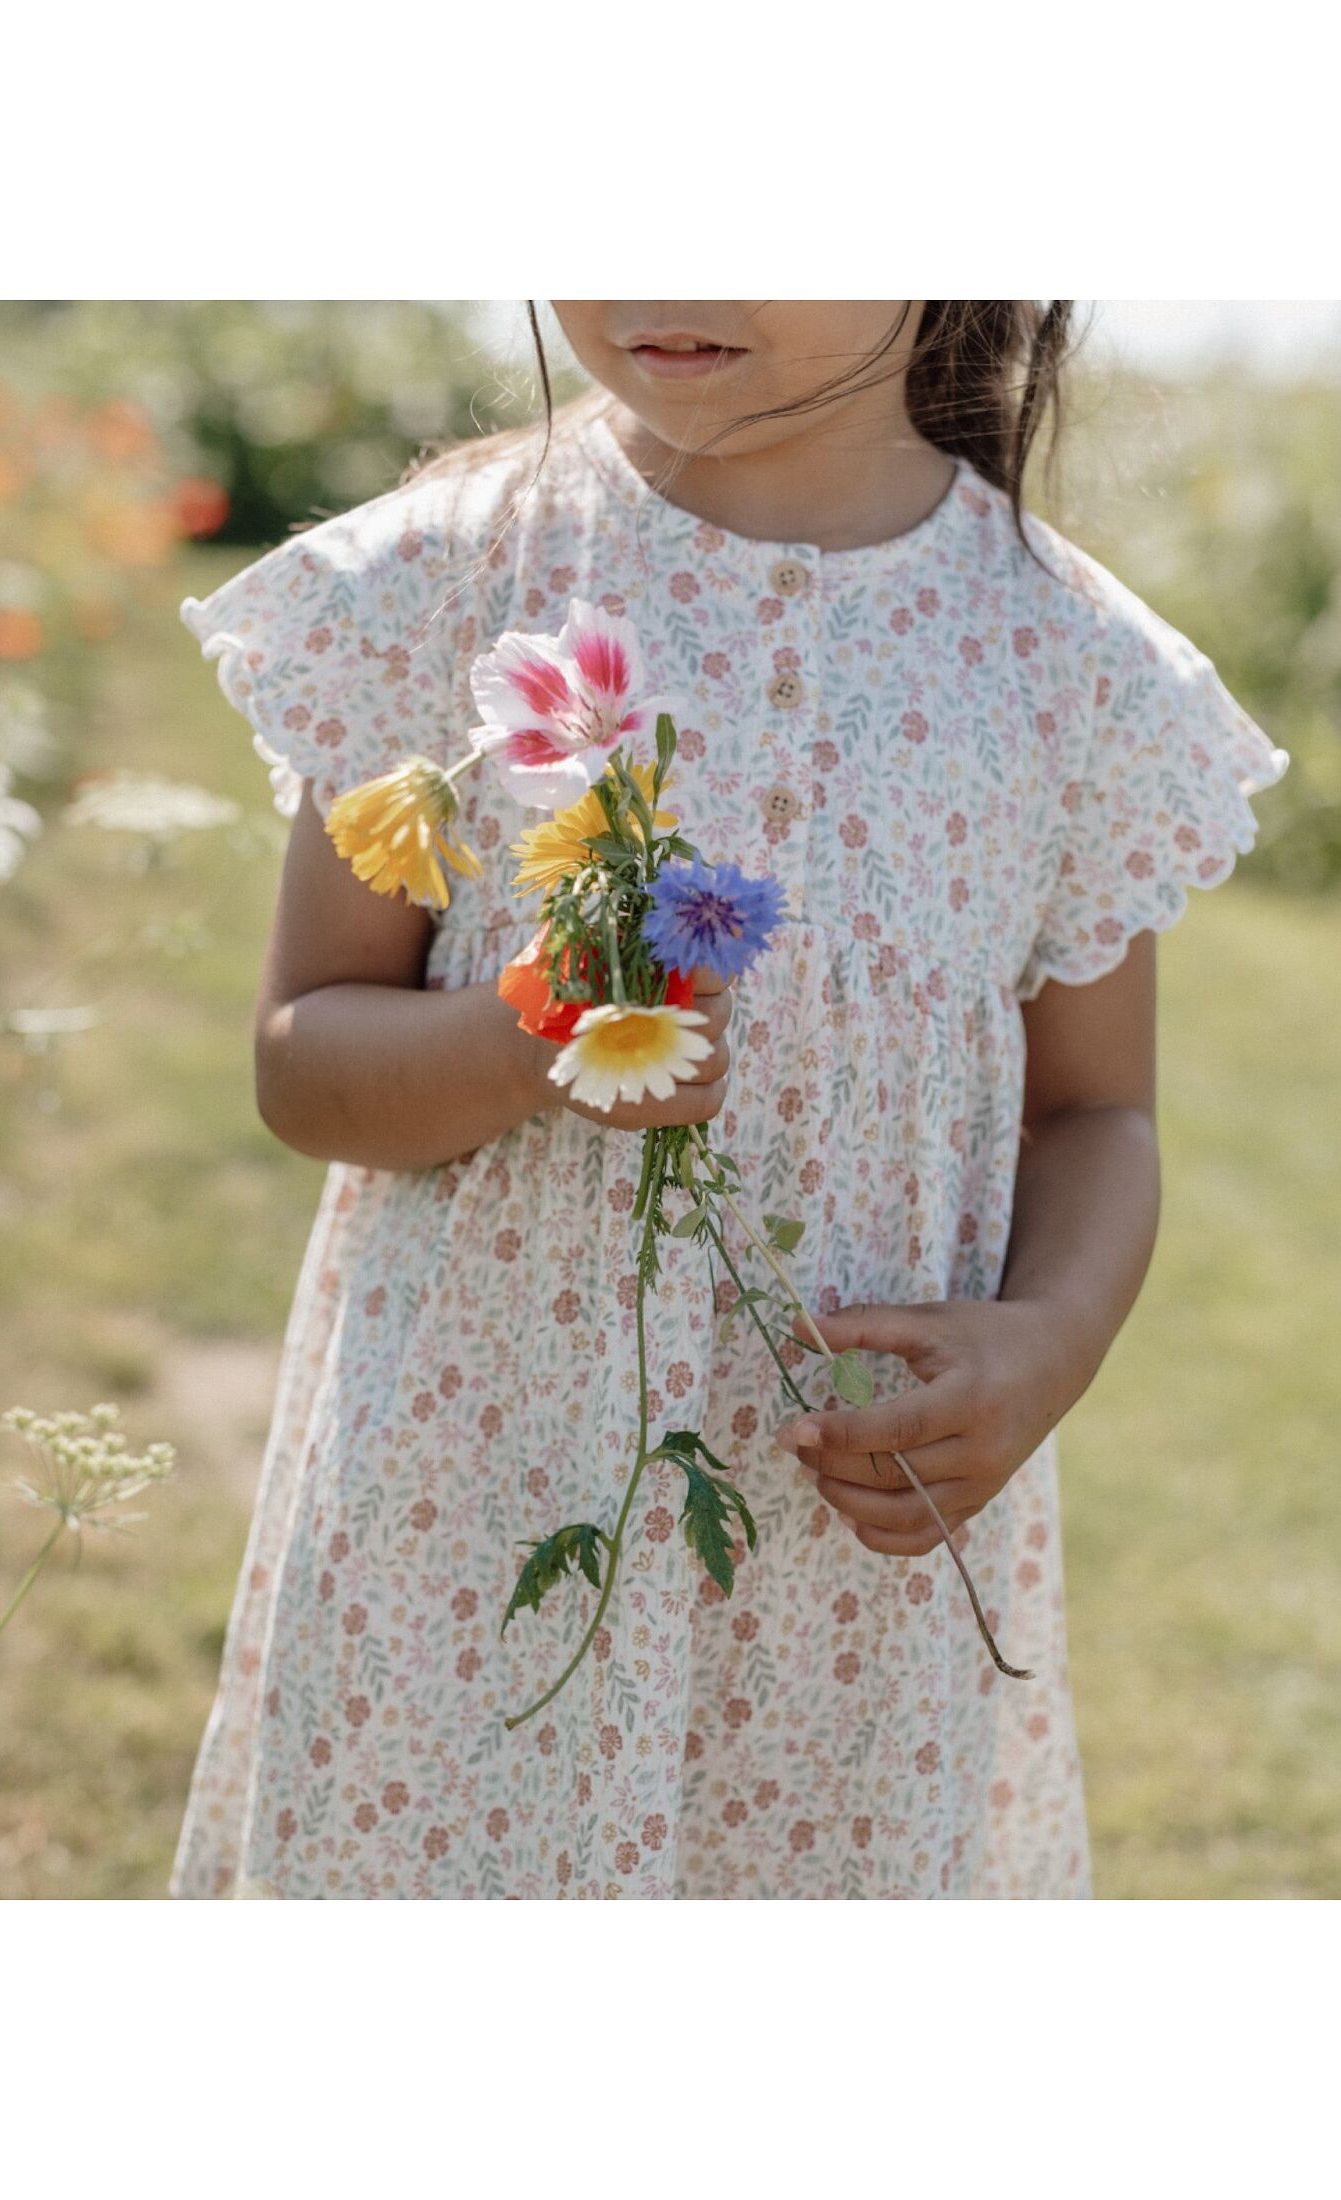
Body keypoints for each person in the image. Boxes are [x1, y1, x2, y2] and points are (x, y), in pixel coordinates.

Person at [171, 302, 1287, 1898]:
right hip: (470, 1517)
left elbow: (1095, 1115)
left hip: (841, 1569)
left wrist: (1049, 1339)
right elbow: (305, 1058)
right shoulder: (439, 586)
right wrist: (530, 1029)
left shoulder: (1076, 673)